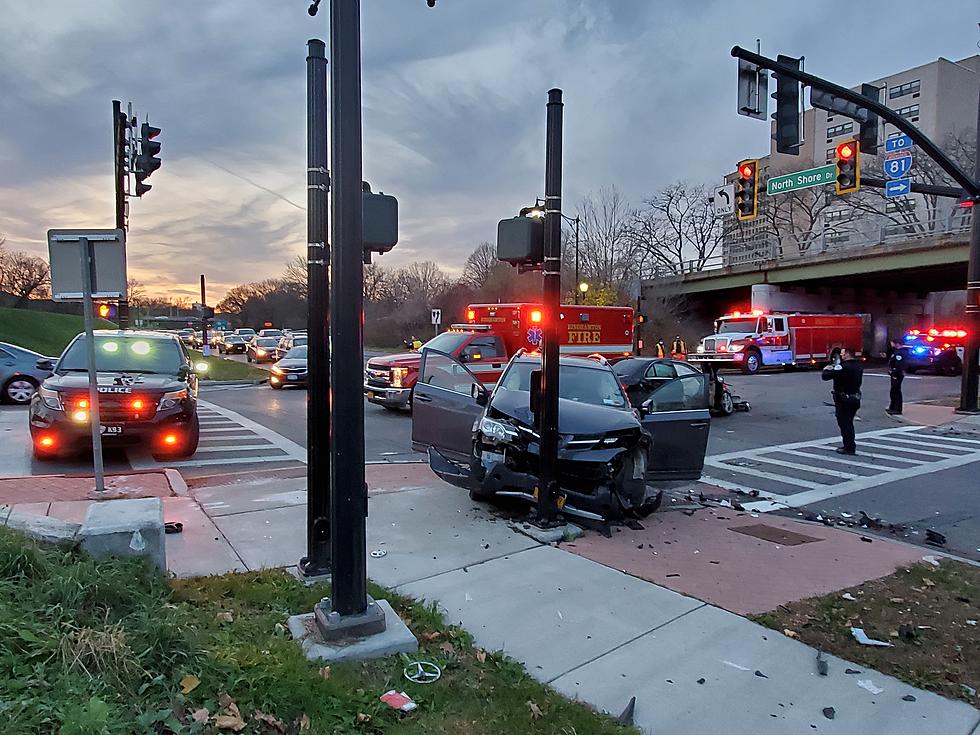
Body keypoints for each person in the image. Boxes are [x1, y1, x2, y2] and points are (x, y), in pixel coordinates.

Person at [822, 346, 863, 455]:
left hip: (844, 399)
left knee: (845, 424)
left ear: (848, 354)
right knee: (849, 422)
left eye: (843, 353)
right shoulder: (858, 365)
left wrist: (826, 369)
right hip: (855, 398)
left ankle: (849, 447)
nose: (841, 355)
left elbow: (825, 376)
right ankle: (850, 445)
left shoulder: (843, 367)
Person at [886, 340, 906, 415]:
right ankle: (893, 407)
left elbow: (899, 365)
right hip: (895, 373)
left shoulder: (900, 353)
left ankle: (897, 409)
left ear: (897, 343)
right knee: (893, 391)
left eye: (892, 343)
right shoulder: (897, 352)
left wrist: (894, 372)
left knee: (896, 391)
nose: (891, 344)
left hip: (897, 374)